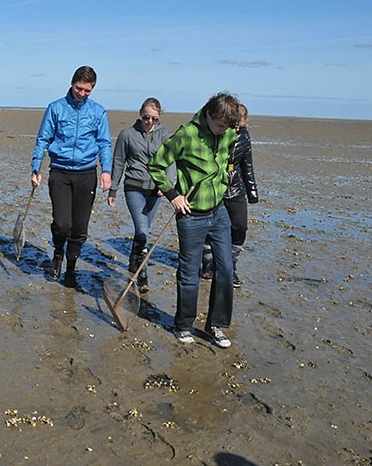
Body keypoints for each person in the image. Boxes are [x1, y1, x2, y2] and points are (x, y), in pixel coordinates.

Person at [147, 91, 242, 349]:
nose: (224, 131)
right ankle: (183, 325)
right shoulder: (186, 135)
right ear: (209, 114)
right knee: (190, 273)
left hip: (219, 211)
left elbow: (228, 160)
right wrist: (173, 195)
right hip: (191, 215)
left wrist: (225, 184)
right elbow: (156, 165)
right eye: (221, 125)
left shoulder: (229, 133)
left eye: (228, 126)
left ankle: (216, 326)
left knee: (225, 269)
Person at [31, 65, 111, 288]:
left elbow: (104, 143)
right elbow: (43, 139)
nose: (82, 94)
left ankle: (71, 268)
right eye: (79, 88)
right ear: (72, 83)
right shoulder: (56, 108)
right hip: (60, 172)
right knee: (62, 223)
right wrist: (36, 167)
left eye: (87, 91)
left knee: (79, 227)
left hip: (86, 173)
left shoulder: (98, 111)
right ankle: (58, 252)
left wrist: (106, 171)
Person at [107, 97, 176, 293]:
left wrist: (168, 185)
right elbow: (119, 162)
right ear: (140, 114)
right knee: (142, 230)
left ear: (159, 117)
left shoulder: (166, 136)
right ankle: (142, 274)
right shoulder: (127, 135)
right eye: (146, 117)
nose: (150, 122)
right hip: (134, 187)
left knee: (143, 232)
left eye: (154, 119)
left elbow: (172, 163)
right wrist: (113, 189)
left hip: (156, 190)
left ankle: (134, 260)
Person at [201, 104, 259, 286]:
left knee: (240, 227)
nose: (238, 125)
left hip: (236, 188)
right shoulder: (218, 133)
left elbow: (247, 165)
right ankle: (208, 264)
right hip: (216, 188)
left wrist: (252, 192)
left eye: (241, 121)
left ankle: (231, 266)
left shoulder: (245, 137)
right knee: (210, 228)